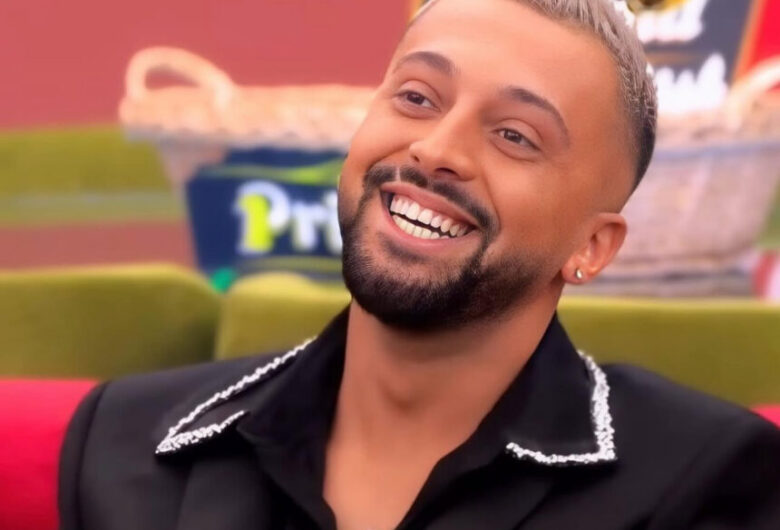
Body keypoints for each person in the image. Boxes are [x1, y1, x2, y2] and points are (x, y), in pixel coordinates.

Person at [59, 0, 780, 528]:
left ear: (591, 247)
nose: (436, 149)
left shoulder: (705, 477)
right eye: (415, 97)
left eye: (515, 135)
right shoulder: (122, 441)